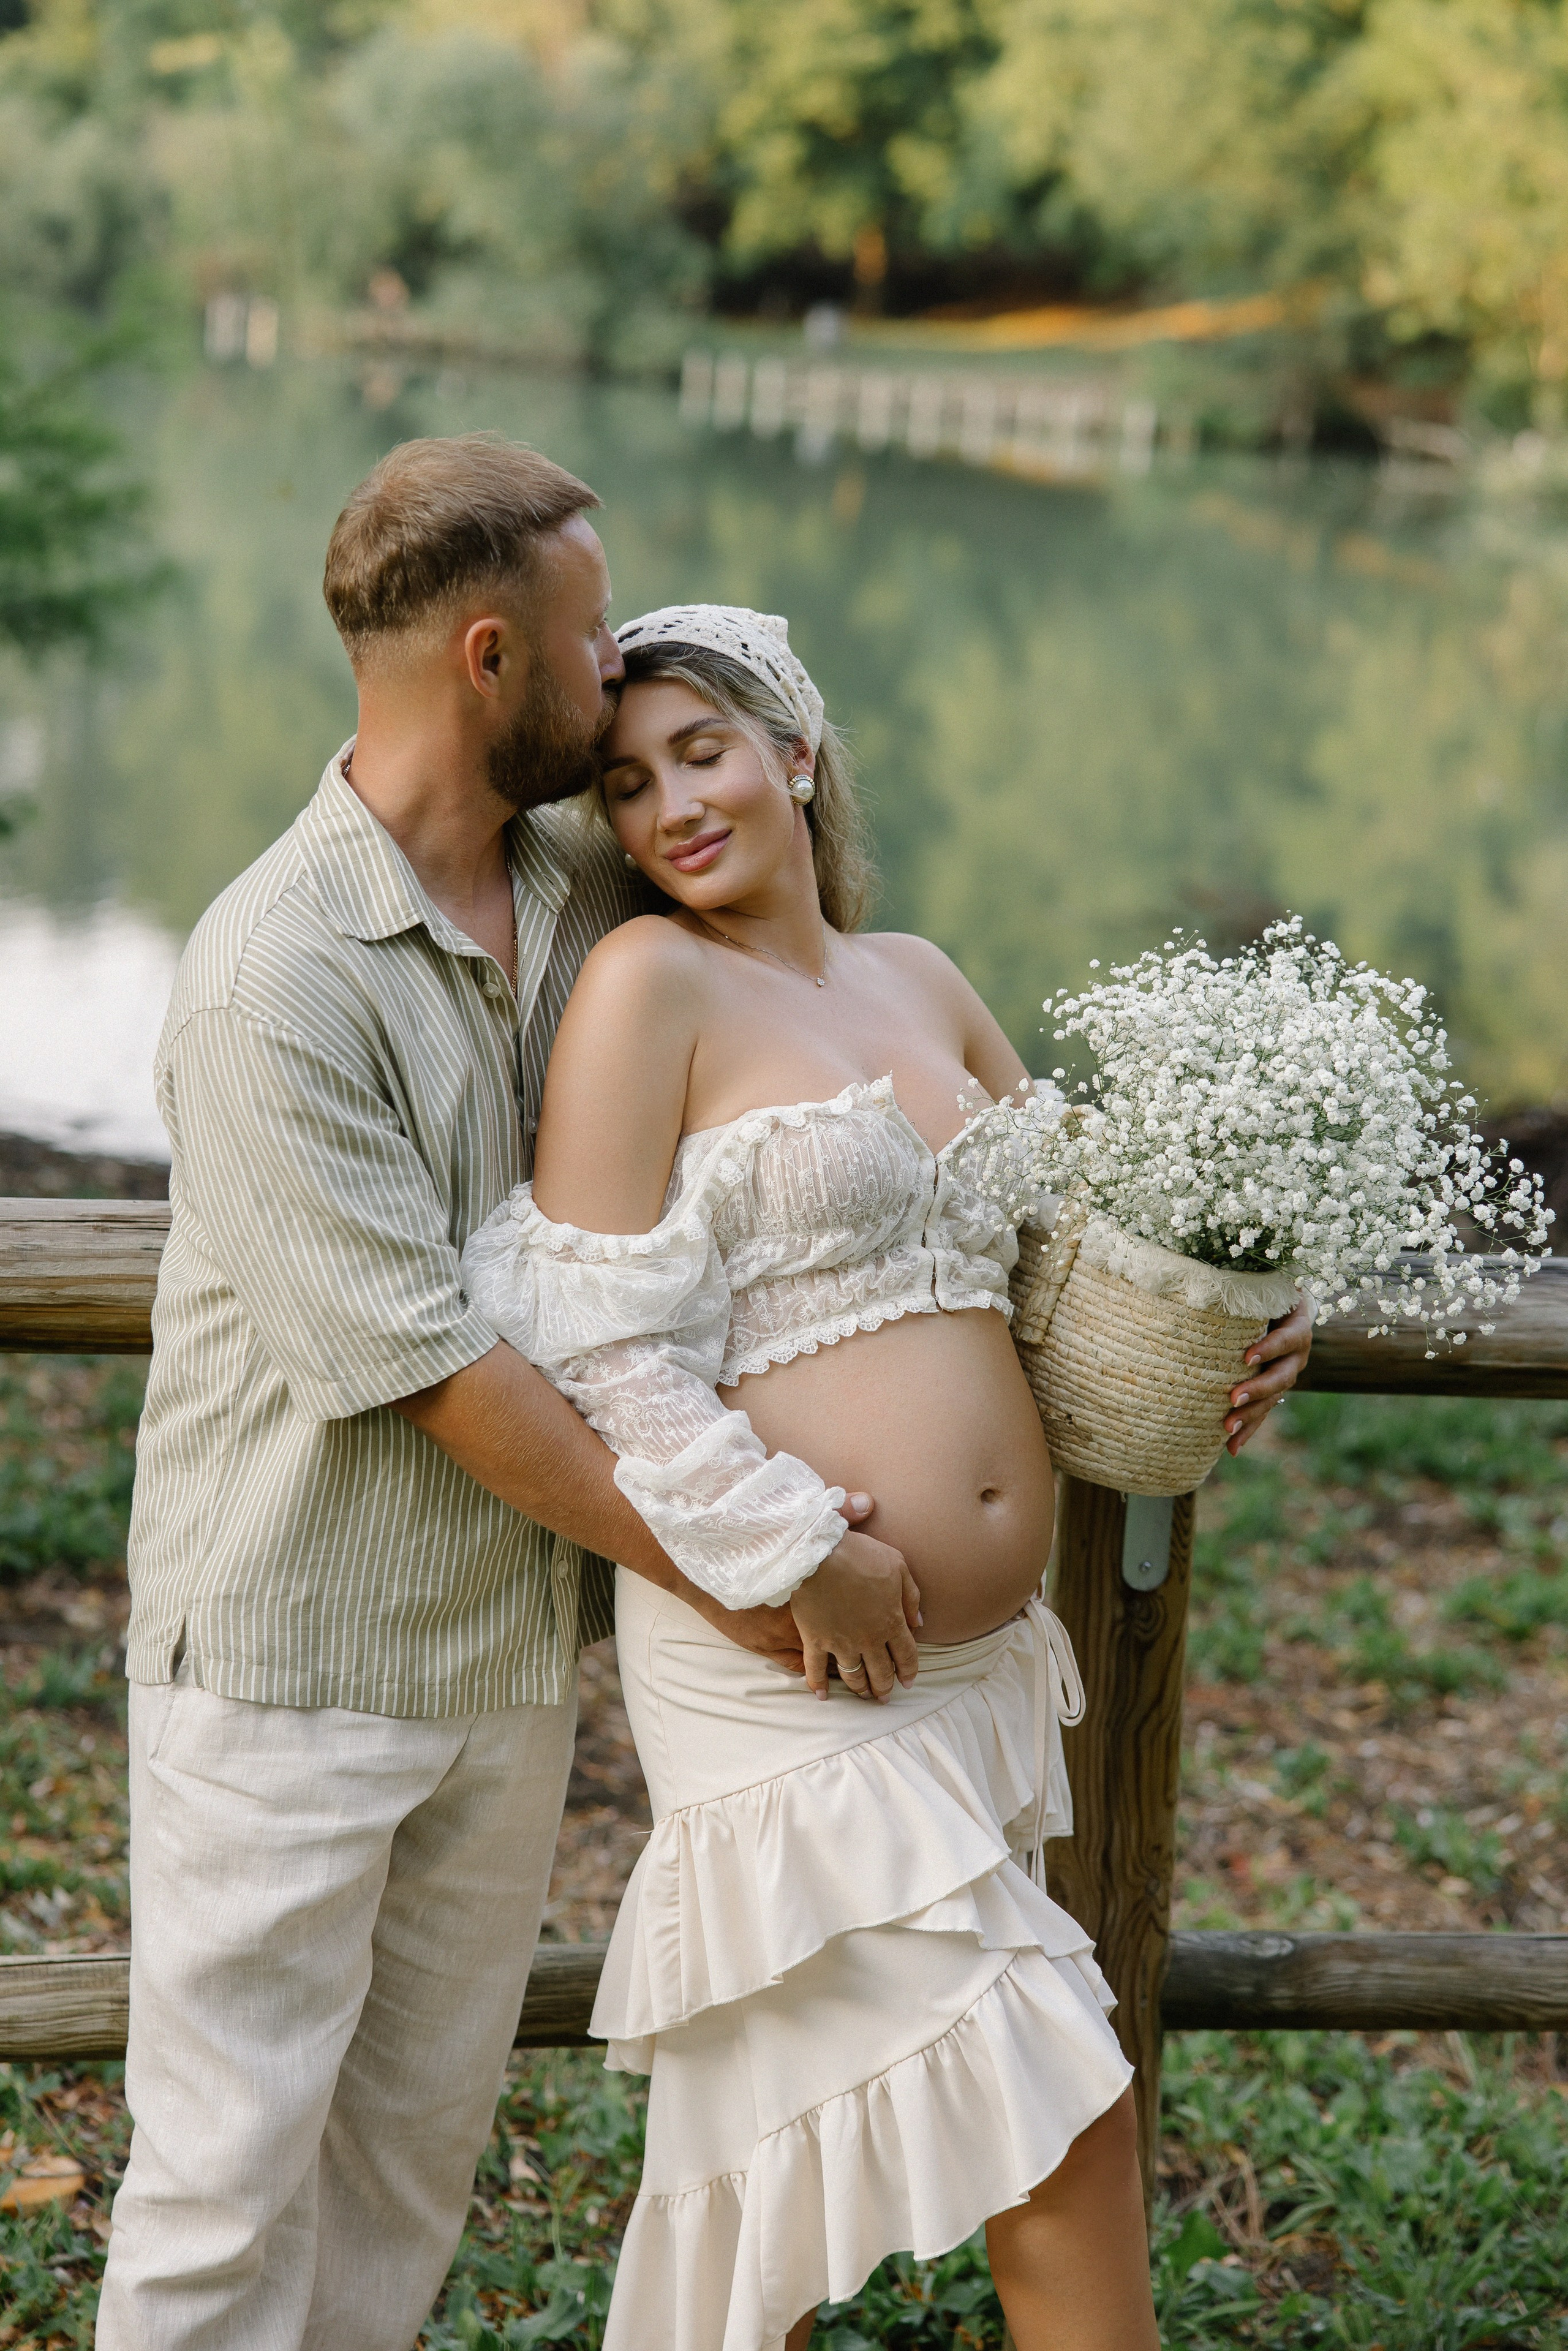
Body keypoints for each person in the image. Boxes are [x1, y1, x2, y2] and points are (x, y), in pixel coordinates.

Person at [99, 441, 907, 2351]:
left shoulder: (584, 877)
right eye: (588, 630)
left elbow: (827, 1053)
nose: (616, 661)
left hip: (503, 1662)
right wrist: (757, 1569)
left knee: (402, 2185)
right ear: (488, 658)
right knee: (223, 2198)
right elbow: (446, 1378)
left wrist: (1165, 1290)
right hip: (293, 1664)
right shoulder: (268, 980)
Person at [462, 603, 1314, 2351]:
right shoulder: (650, 987)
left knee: (776, 2149)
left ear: (796, 750)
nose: (669, 808)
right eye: (626, 786)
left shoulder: (918, 974)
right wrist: (788, 1556)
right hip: (792, 1650)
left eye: (701, 752)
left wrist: (1256, 1309)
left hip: (972, 1678)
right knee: (1064, 2112)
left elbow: (1093, 1248)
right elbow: (598, 1340)